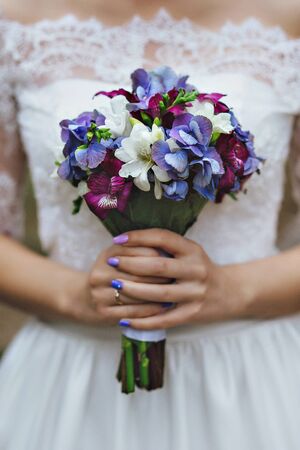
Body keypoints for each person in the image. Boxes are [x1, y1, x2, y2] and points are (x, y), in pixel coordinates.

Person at [0, 0, 300, 449]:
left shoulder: (289, 18)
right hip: (73, 372)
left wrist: (231, 289)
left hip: (246, 372)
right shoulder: (15, 20)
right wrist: (74, 294)